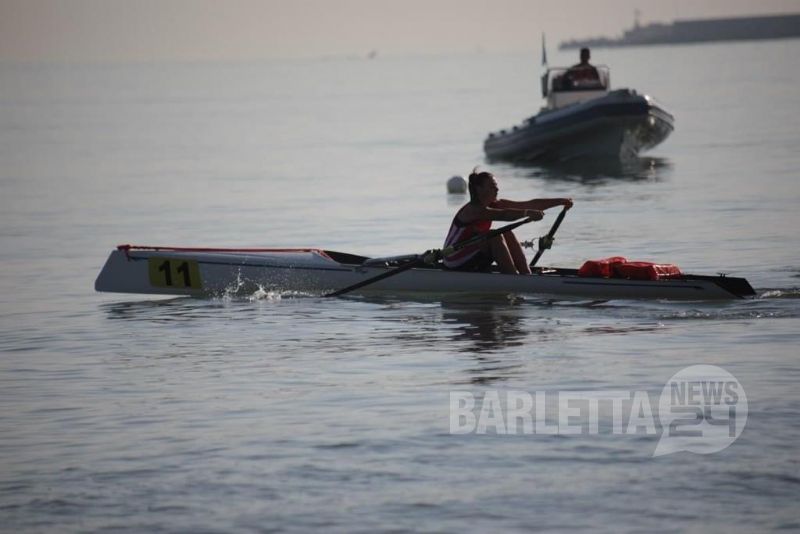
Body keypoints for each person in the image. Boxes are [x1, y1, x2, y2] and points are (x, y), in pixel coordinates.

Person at [443, 169, 572, 274]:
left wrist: (560, 201)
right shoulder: (474, 210)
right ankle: (514, 279)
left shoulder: (494, 204)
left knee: (506, 233)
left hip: (470, 254)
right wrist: (527, 213)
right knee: (495, 236)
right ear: (479, 189)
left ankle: (526, 275)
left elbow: (530, 204)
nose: (497, 190)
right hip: (453, 259)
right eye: (492, 186)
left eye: (496, 186)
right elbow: (504, 214)